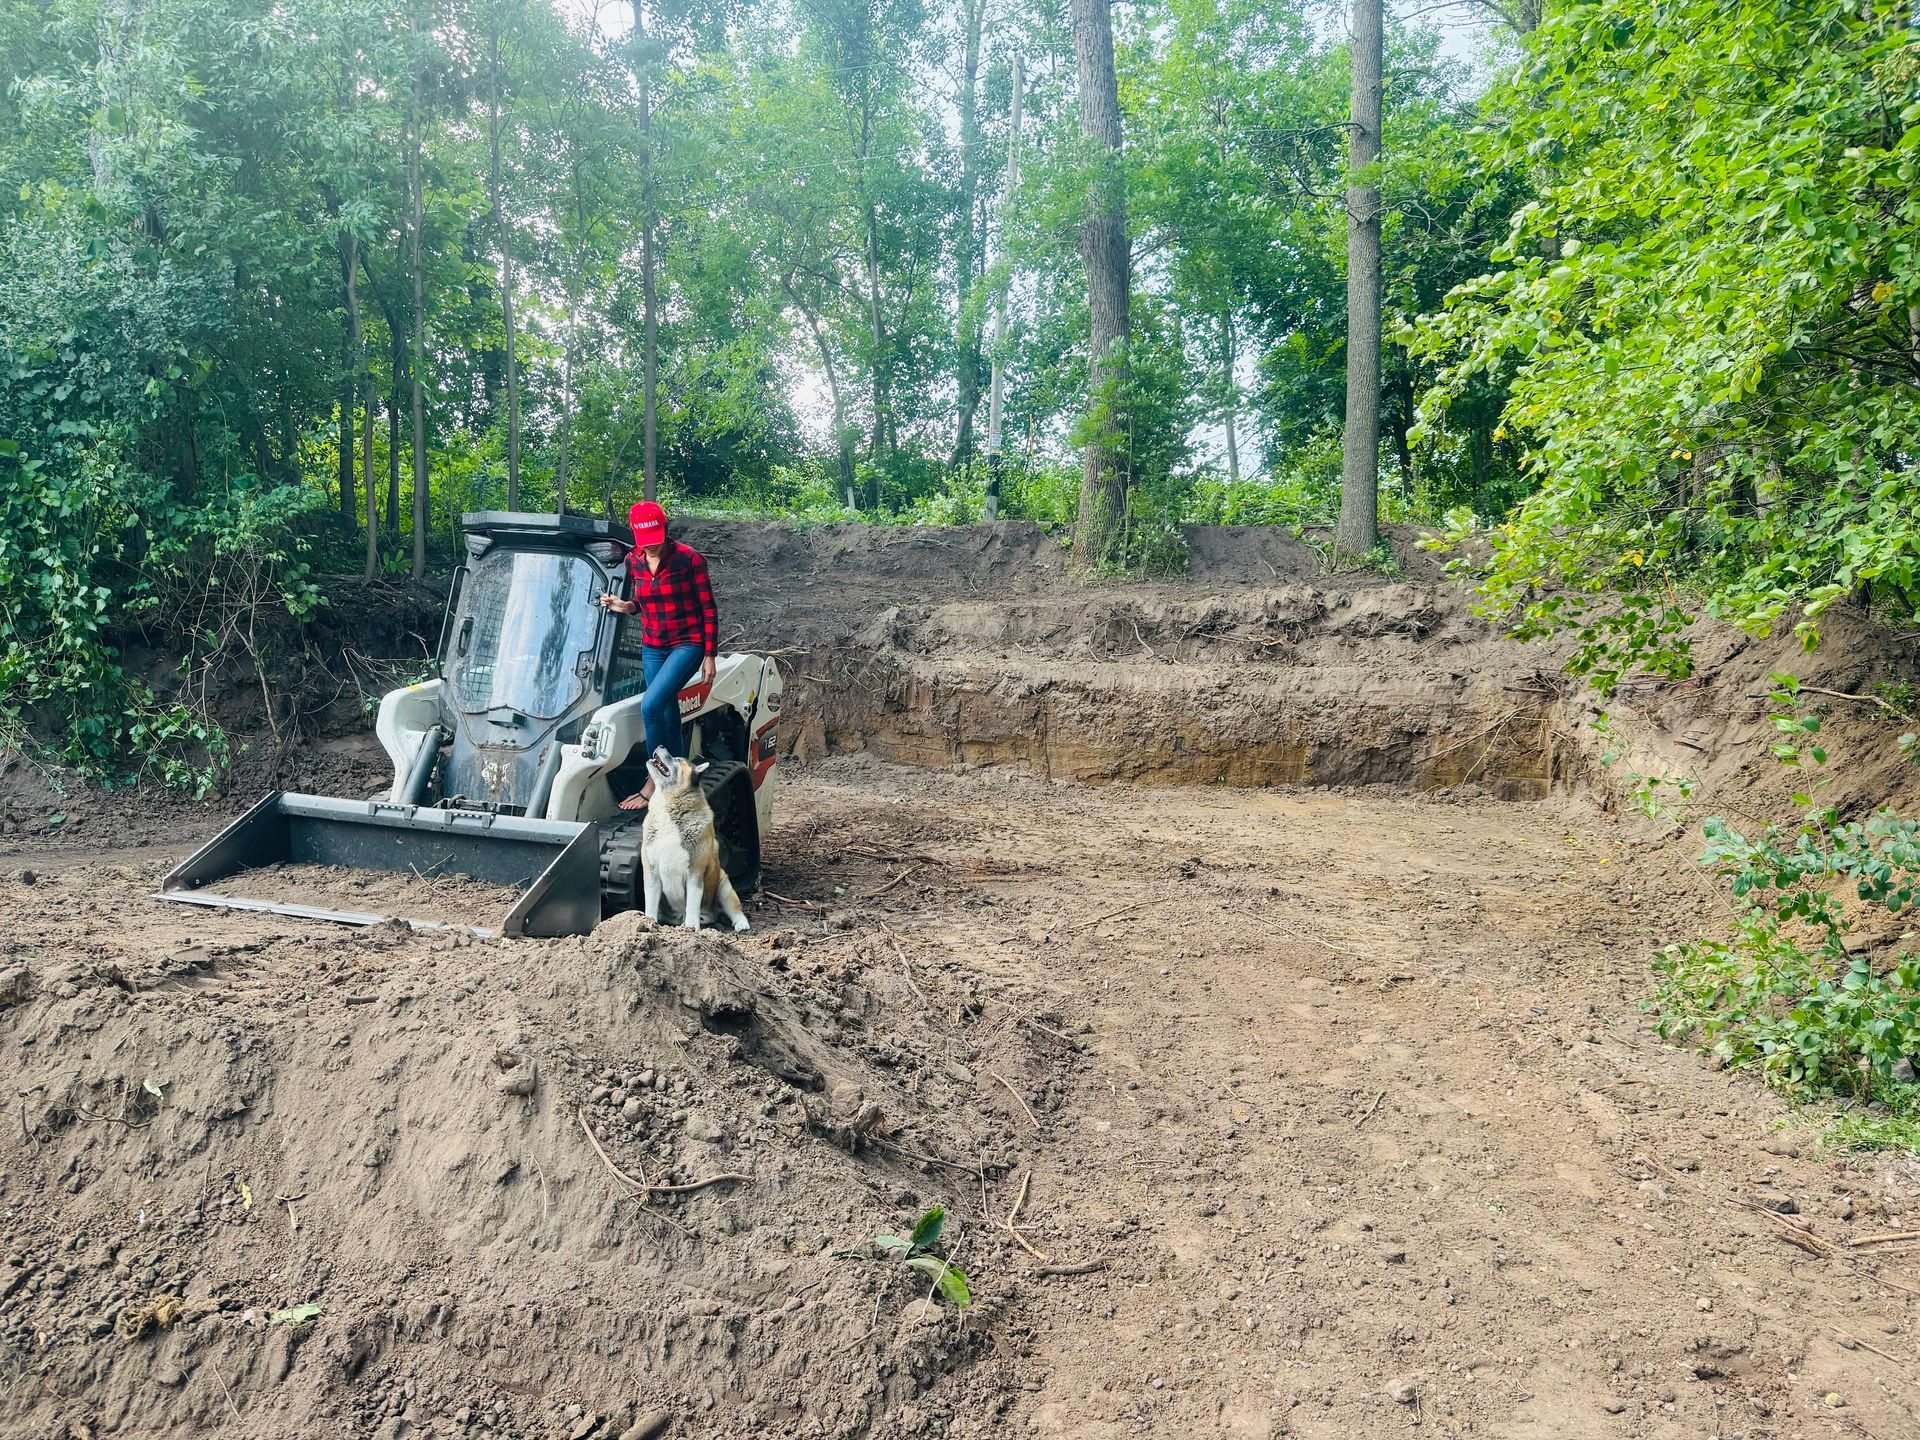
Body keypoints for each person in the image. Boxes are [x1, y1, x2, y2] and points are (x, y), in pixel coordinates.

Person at [595, 500, 718, 811]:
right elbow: (643, 601)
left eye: (656, 537)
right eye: (645, 539)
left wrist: (709, 655)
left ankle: (655, 780)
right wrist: (624, 606)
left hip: (687, 643)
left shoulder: (689, 560)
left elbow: (708, 608)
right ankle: (678, 775)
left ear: (665, 531)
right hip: (653, 645)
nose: (652, 545)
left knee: (651, 704)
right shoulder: (632, 561)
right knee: (666, 712)